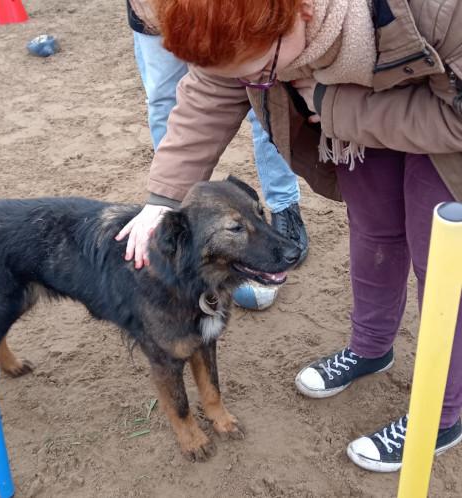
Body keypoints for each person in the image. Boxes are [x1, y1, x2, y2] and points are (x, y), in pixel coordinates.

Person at [118, 0, 462, 472]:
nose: (251, 83)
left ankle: (441, 416)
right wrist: (163, 197)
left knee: (444, 268)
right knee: (374, 233)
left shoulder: (440, 10)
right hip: (350, 113)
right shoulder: (253, 31)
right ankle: (370, 348)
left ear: (301, 13)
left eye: (259, 70)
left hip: (443, 117)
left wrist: (332, 105)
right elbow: (215, 85)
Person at [123, 0, 309, 310]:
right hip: (163, 14)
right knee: (164, 98)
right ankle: (185, 224)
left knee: (265, 99)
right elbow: (208, 90)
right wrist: (164, 197)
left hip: (236, 12)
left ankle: (283, 205)